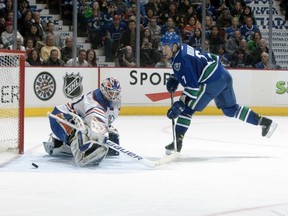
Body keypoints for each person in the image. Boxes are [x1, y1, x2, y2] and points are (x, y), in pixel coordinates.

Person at [159, 32, 278, 154]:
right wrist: (175, 77)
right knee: (231, 109)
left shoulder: (180, 59)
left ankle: (177, 144)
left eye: (166, 46)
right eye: (162, 46)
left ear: (174, 46)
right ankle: (264, 122)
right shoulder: (182, 49)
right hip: (223, 75)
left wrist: (180, 104)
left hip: (212, 82)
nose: (163, 49)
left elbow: (193, 88)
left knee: (186, 110)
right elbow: (193, 66)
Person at [43, 77, 122, 167]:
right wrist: (99, 134)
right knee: (80, 132)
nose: (113, 96)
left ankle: (63, 144)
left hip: (80, 117)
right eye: (111, 93)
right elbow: (95, 120)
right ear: (104, 90)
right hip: (60, 117)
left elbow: (104, 120)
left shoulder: (115, 102)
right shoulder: (93, 101)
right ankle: (80, 154)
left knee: (113, 135)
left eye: (116, 93)